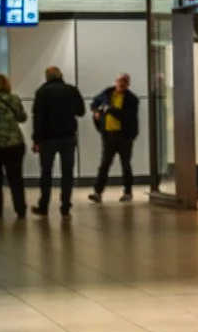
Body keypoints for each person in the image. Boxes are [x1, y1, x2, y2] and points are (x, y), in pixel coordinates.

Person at [29, 66, 84, 218]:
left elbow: (37, 118)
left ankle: (44, 206)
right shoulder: (72, 90)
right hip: (68, 137)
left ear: (47, 77)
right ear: (61, 75)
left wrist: (36, 140)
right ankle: (65, 206)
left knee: (46, 173)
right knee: (68, 173)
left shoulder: (42, 92)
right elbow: (81, 111)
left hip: (47, 139)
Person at [88, 73, 140, 202]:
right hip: (108, 135)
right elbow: (94, 102)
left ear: (128, 84)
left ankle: (127, 192)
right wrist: (96, 111)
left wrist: (110, 109)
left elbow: (127, 117)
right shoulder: (107, 93)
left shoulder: (131, 99)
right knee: (105, 164)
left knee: (125, 164)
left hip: (124, 136)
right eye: (119, 81)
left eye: (124, 81)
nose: (121, 84)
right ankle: (97, 192)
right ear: (115, 82)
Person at [0, 74, 25, 218]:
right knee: (16, 178)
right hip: (14, 144)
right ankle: (20, 208)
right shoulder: (14, 98)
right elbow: (22, 118)